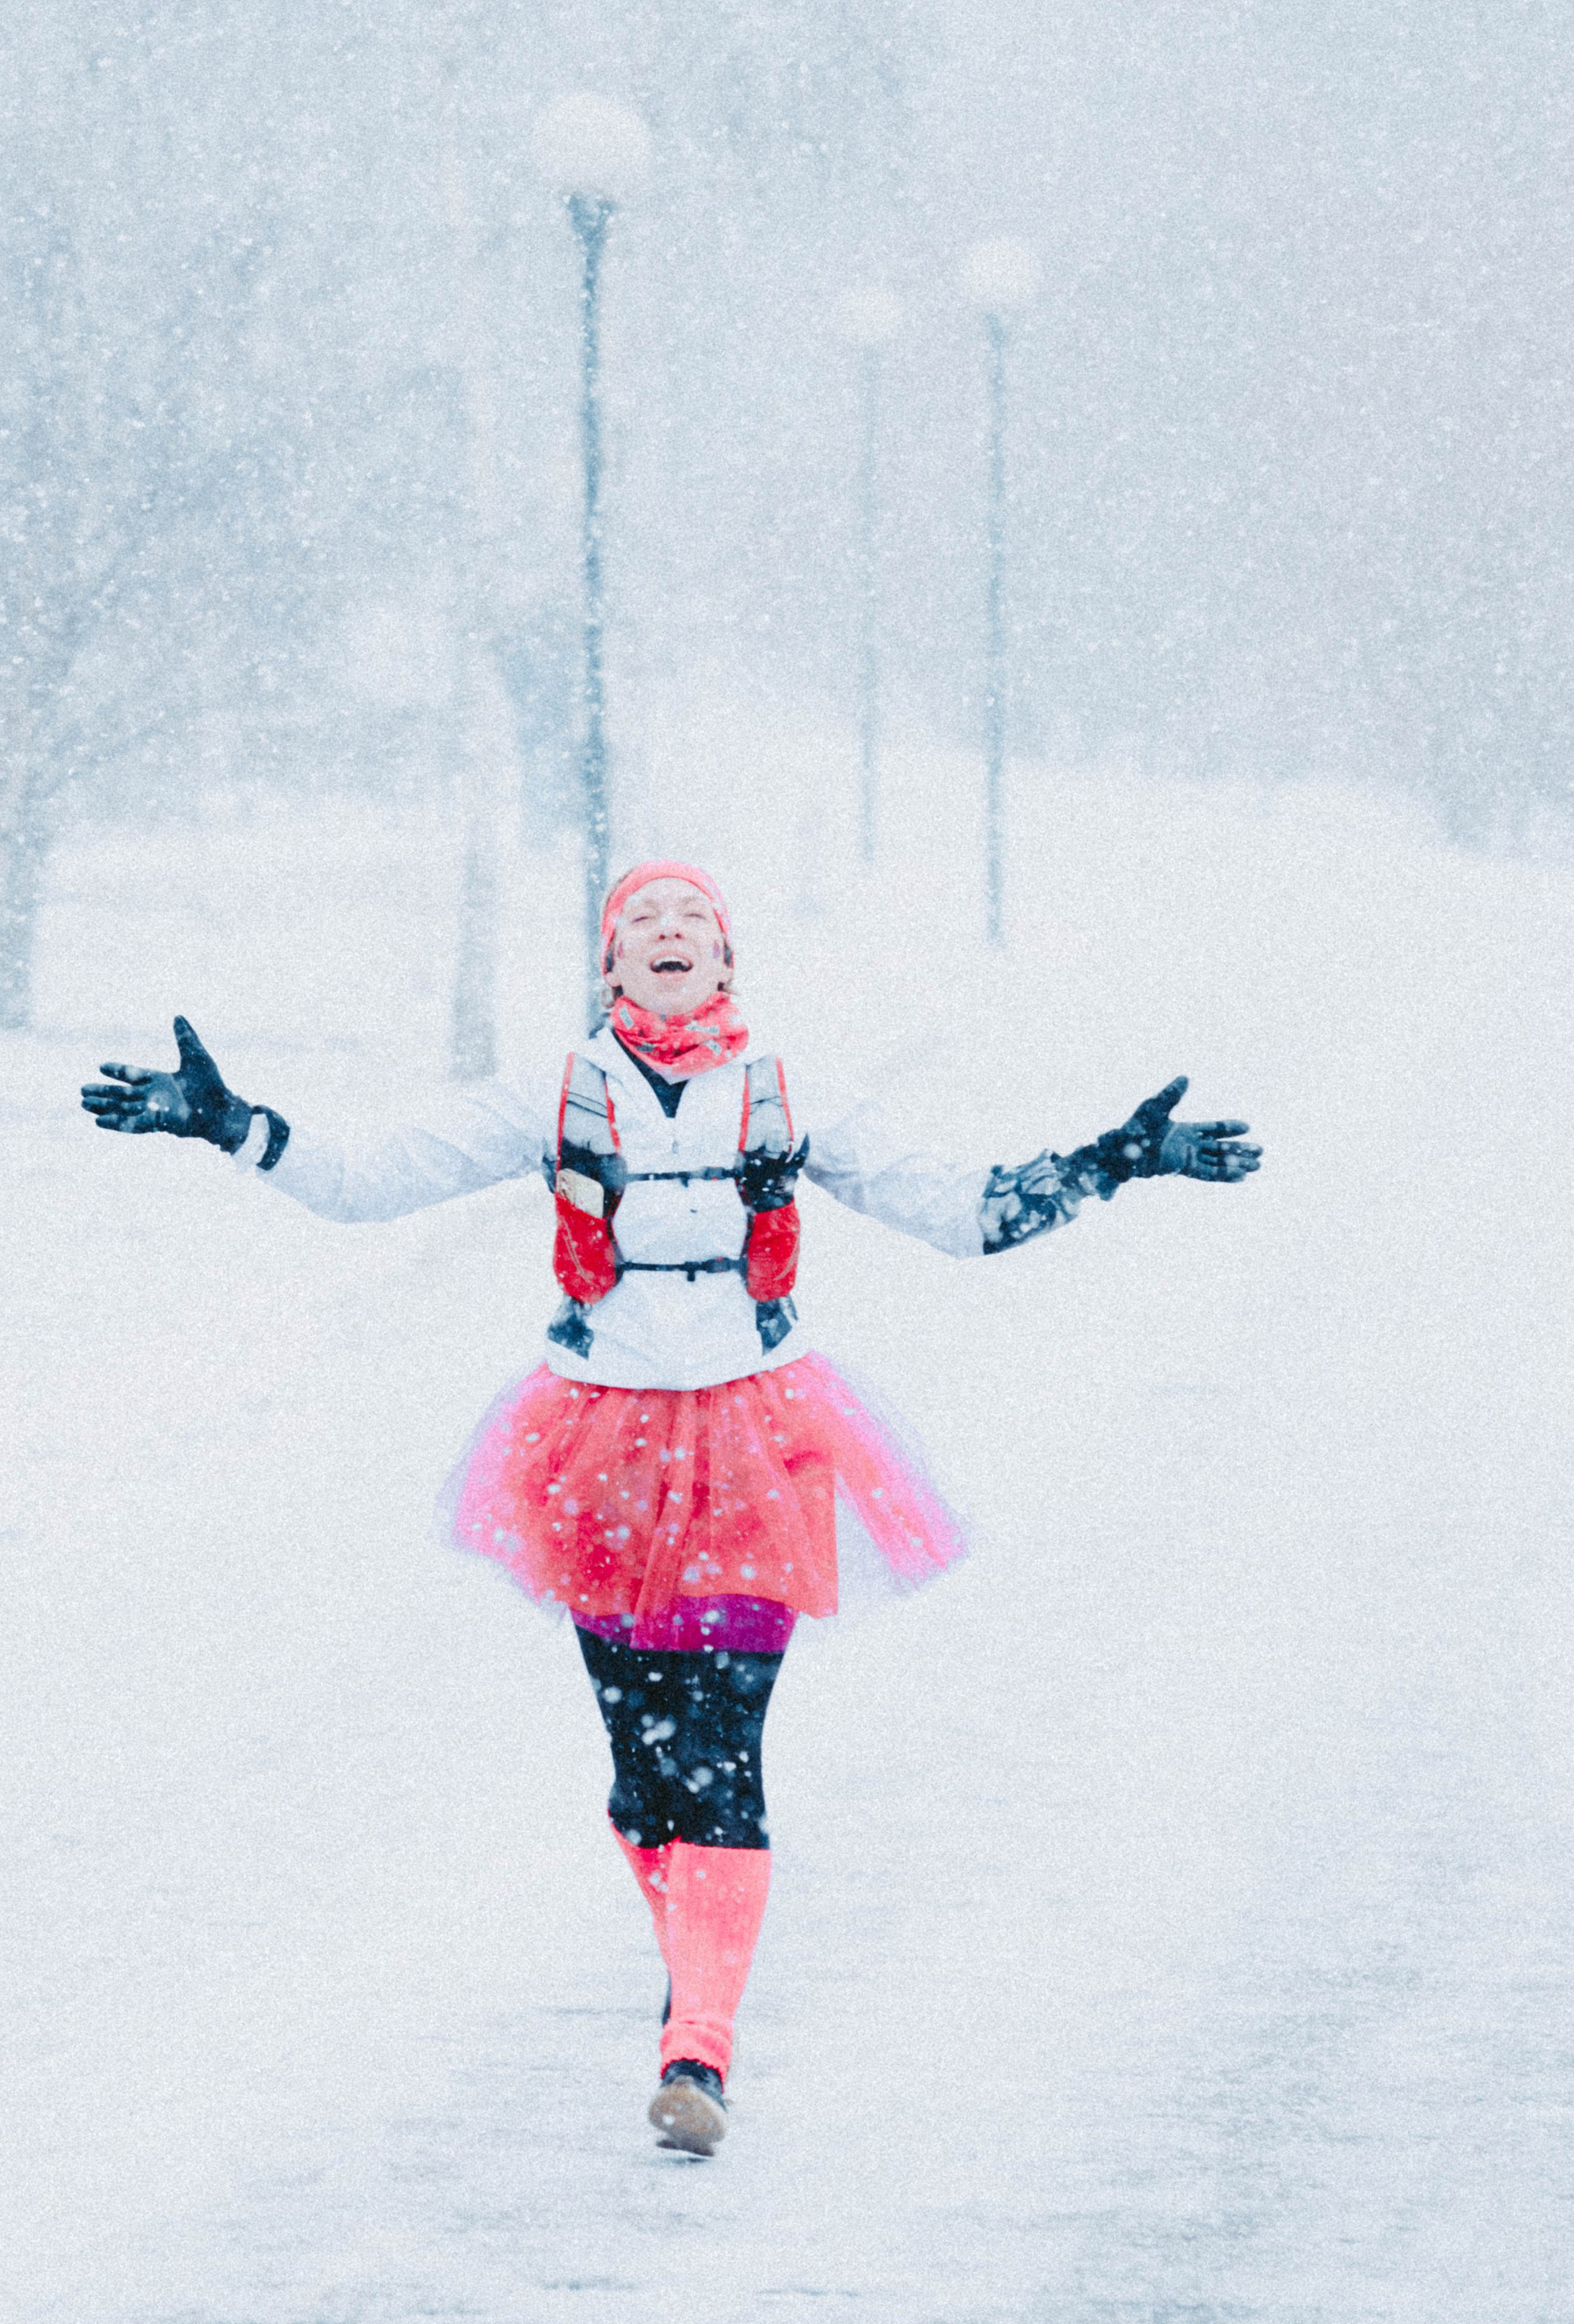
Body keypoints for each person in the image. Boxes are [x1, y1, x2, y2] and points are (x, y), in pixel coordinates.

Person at [81, 861, 1260, 2158]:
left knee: (722, 1759)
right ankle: (697, 1968)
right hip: (596, 1453)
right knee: (645, 1781)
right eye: (641, 921)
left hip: (761, 1446)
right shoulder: (559, 1091)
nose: (667, 933)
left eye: (692, 921)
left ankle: (698, 2042)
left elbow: (965, 1213)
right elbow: (371, 1182)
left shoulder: (786, 1095)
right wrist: (229, 1122)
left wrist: (1117, 1160)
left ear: (728, 962)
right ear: (610, 966)